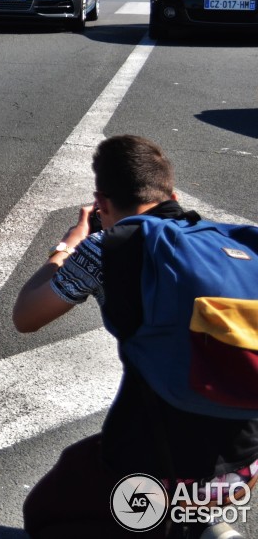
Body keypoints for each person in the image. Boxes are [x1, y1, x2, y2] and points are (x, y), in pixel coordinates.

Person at [14, 135, 258, 538]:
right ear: (172, 194)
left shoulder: (107, 248)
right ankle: (205, 524)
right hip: (245, 462)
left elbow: (26, 315)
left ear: (103, 205)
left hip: (152, 460)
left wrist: (69, 243)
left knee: (48, 509)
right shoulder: (241, 244)